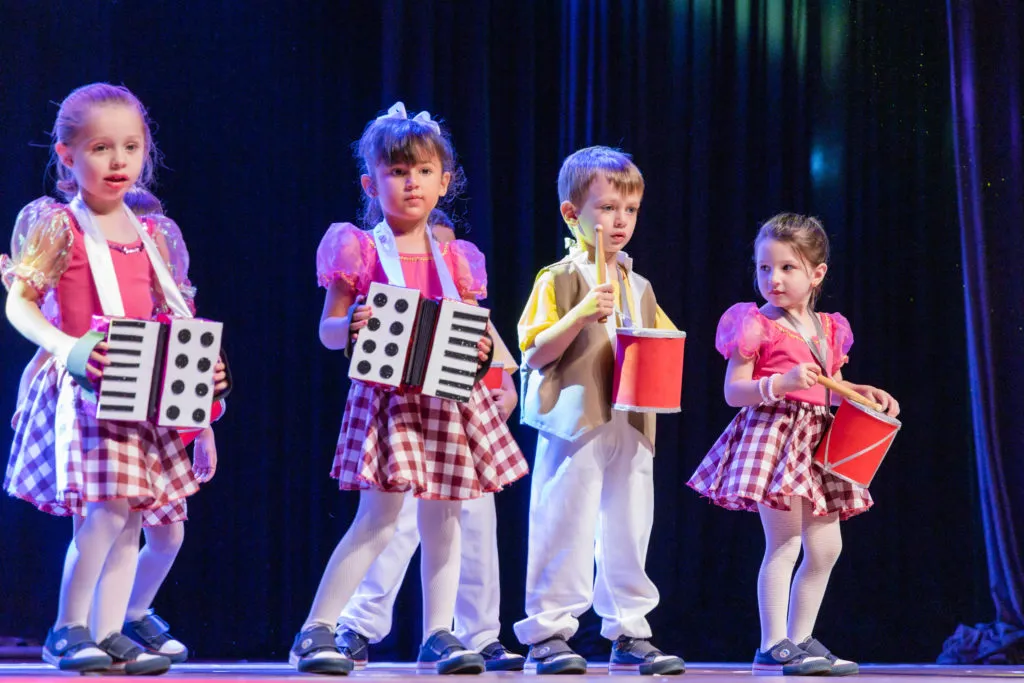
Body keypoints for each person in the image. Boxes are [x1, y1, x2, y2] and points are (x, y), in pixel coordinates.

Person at [290, 103, 527, 675]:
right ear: (371, 182)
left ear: (444, 182)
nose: (411, 182)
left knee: (444, 517)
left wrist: (490, 360)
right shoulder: (360, 248)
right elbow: (327, 330)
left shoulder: (457, 259)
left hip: (447, 399)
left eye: (422, 171)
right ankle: (317, 627)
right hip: (391, 400)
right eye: (397, 172)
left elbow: (481, 333)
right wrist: (349, 326)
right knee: (378, 519)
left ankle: (438, 633)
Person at [1, 83, 225, 675]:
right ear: (67, 156)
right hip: (84, 384)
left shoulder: (154, 236)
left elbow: (176, 319)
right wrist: (67, 348)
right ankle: (66, 628)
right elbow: (19, 306)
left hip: (145, 389)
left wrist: (202, 390)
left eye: (131, 146)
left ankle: (108, 630)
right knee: (104, 512)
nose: (119, 160)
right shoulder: (58, 226)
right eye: (101, 147)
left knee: (129, 516)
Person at [687, 213, 900, 676]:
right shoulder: (754, 324)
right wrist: (778, 383)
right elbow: (733, 392)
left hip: (818, 440)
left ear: (816, 274)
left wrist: (861, 393)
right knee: (783, 543)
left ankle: (801, 639)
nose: (773, 279)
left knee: (825, 548)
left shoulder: (828, 327)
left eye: (787, 268)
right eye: (765, 268)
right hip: (777, 437)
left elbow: (831, 383)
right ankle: (771, 644)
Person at [514, 146, 685, 676]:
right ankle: (548, 631)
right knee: (563, 519)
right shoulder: (559, 278)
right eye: (607, 208)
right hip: (575, 420)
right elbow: (534, 351)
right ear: (573, 214)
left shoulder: (639, 284)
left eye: (630, 210)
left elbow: (660, 342)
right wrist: (582, 314)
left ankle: (629, 629)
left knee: (629, 524)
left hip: (630, 423)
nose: (620, 221)